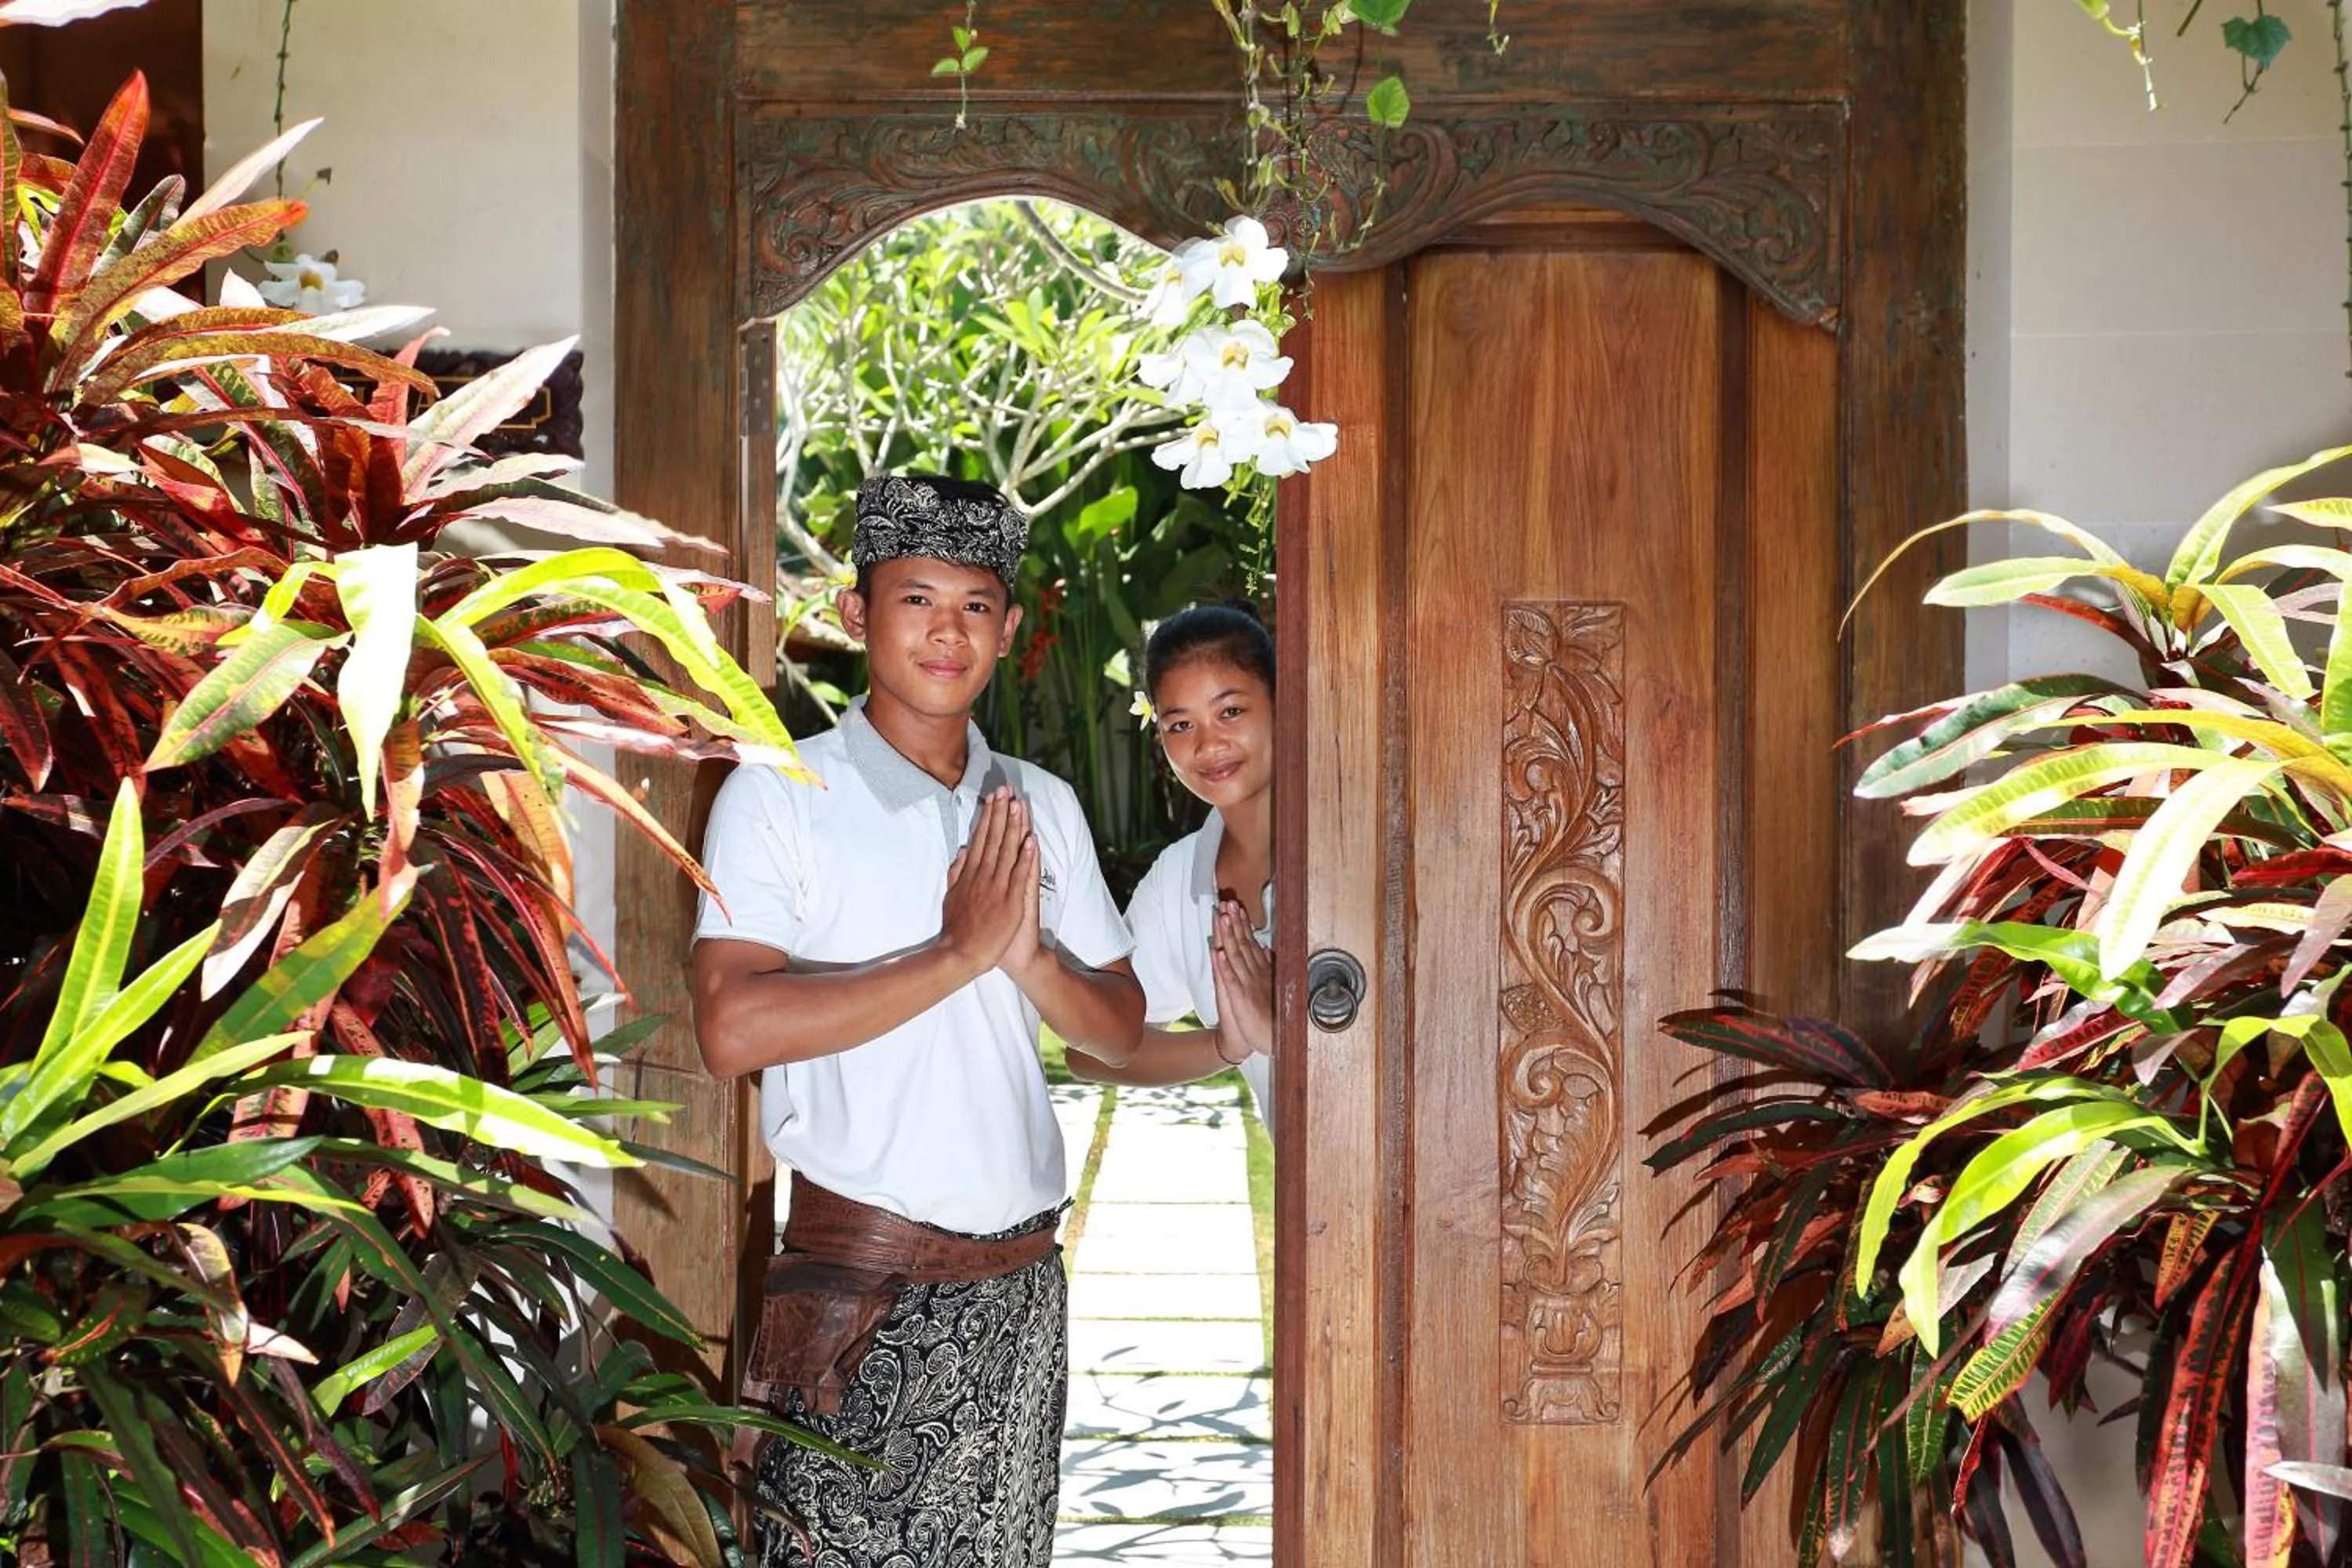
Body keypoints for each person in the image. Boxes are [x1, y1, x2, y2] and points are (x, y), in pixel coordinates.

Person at [690, 472, 1145, 1568]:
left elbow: (1117, 1029)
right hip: (865, 1300)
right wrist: (953, 955)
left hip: (1022, 1295)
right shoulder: (782, 792)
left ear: (1010, 628)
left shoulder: (1040, 805)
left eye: (976, 605)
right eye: (916, 599)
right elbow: (731, 1030)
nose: (948, 631)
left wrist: (1022, 953)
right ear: (855, 615)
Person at [1068, 603, 1275, 1131]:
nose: (1207, 744)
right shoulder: (1179, 880)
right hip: (1311, 1205)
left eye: (1230, 712)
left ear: (1284, 703)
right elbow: (1093, 1049)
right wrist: (1223, 1046)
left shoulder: (1361, 848)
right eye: (1180, 724)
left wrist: (1284, 1031)